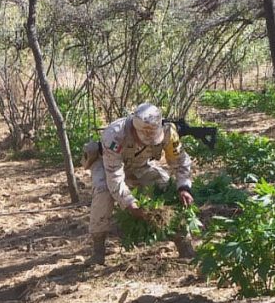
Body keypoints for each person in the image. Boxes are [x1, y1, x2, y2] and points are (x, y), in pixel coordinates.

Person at [83, 103, 197, 265]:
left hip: (139, 165)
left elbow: (181, 162)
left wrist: (184, 187)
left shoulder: (167, 133)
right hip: (107, 165)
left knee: (165, 186)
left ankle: (183, 244)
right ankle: (98, 250)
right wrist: (130, 203)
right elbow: (114, 176)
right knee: (103, 192)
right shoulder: (114, 135)